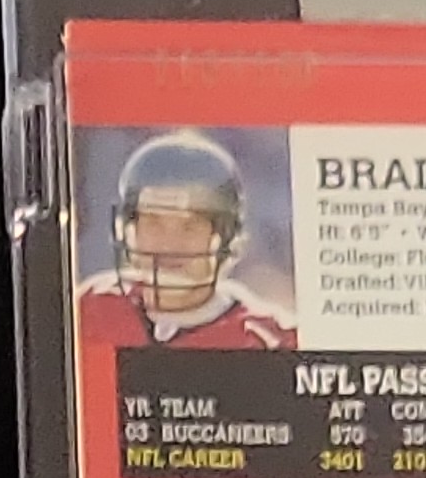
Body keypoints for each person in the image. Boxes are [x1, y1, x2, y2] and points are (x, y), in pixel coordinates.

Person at [79, 132, 295, 351]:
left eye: (190, 226)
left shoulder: (269, 340)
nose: (169, 244)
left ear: (225, 237)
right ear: (128, 228)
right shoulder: (91, 308)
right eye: (154, 223)